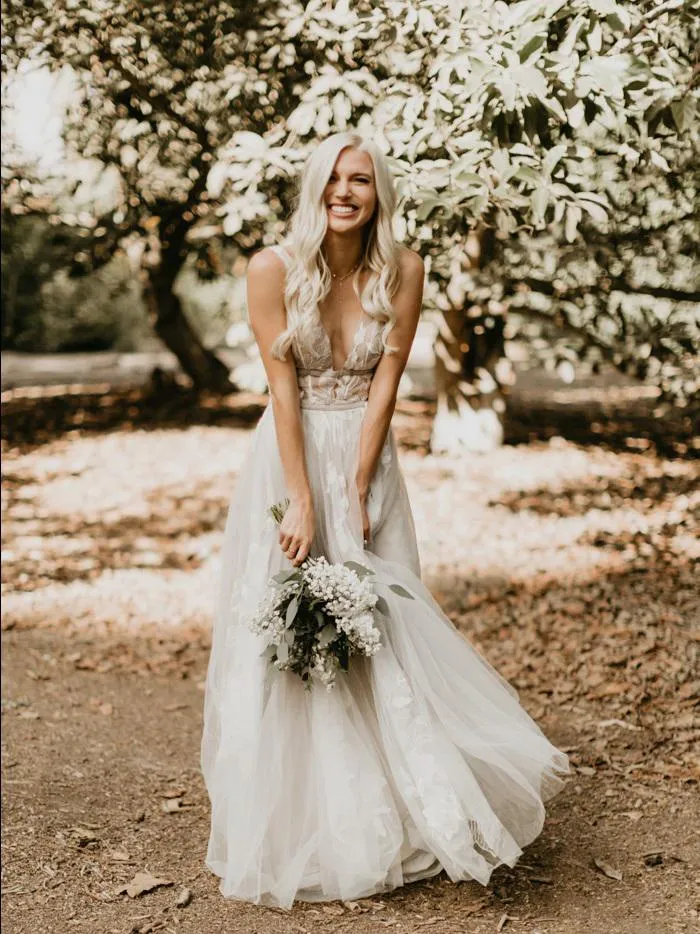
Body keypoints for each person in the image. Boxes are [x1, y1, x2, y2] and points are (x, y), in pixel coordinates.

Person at [201, 130, 569, 910]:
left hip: (368, 457)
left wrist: (359, 484)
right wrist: (303, 497)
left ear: (379, 194)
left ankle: (402, 808)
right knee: (288, 624)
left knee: (379, 622)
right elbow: (282, 390)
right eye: (333, 177)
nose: (345, 190)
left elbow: (388, 380)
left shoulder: (403, 270)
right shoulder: (272, 269)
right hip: (289, 455)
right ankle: (302, 817)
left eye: (360, 179)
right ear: (314, 188)